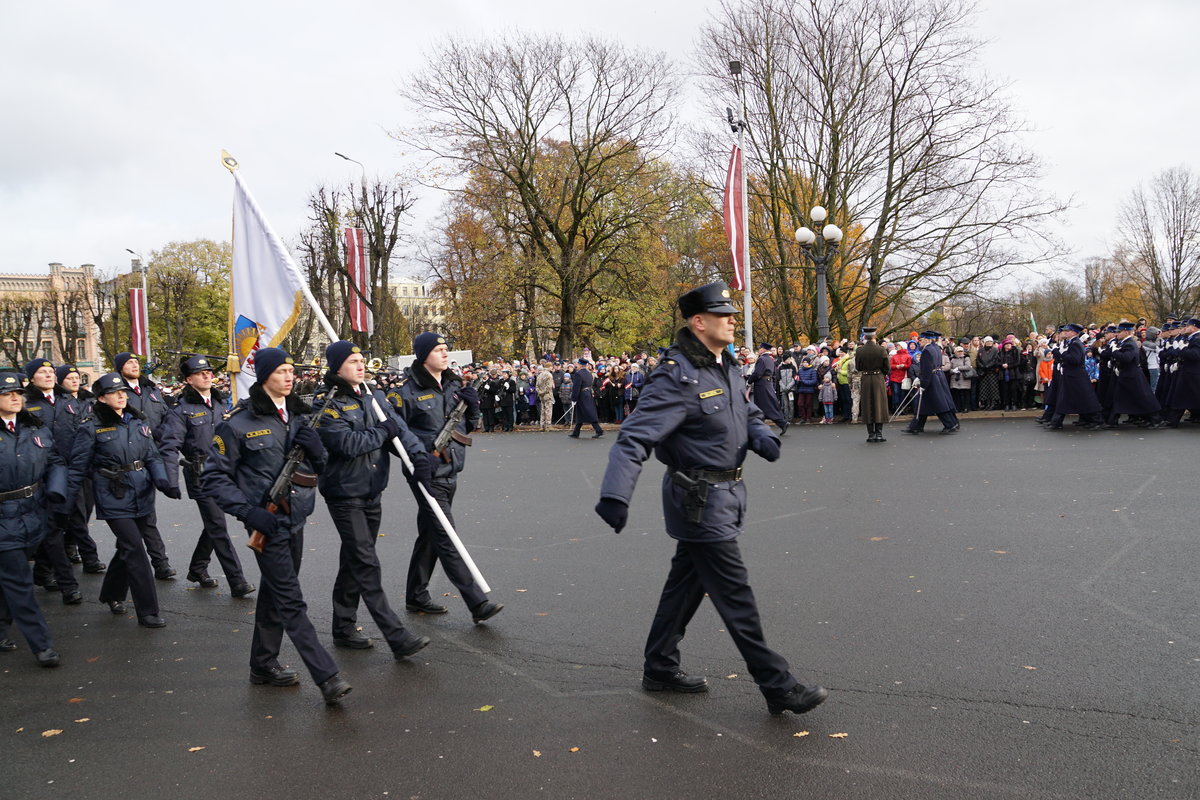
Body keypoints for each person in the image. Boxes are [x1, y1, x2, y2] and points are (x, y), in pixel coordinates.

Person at [593, 281, 827, 716]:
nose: (733, 320)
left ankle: (659, 666)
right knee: (735, 595)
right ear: (699, 322)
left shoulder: (725, 366)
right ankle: (778, 685)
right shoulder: (676, 375)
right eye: (724, 314)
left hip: (725, 494)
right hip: (698, 500)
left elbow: (746, 410)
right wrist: (614, 494)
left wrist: (761, 434)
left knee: (685, 585)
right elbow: (634, 436)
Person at [203, 348, 352, 704]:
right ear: (264, 375)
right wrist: (248, 513)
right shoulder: (237, 423)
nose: (289, 377)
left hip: (294, 517)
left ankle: (262, 664)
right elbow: (213, 478)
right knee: (290, 599)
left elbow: (320, 466)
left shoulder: (298, 416)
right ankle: (326, 675)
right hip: (265, 523)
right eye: (281, 371)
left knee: (275, 591)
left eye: (291, 371)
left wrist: (318, 452)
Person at [315, 341, 432, 658]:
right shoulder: (327, 404)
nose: (360, 364)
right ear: (337, 368)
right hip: (344, 492)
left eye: (361, 359)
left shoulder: (374, 396)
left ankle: (343, 626)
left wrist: (418, 457)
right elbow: (348, 443)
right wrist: (384, 432)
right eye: (353, 361)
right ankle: (396, 636)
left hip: (372, 489)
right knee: (366, 563)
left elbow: (401, 431)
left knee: (355, 559)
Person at [391, 333, 501, 623]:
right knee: (447, 536)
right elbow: (392, 435)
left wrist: (473, 407)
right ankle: (476, 602)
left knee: (431, 534)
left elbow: (468, 426)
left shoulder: (453, 386)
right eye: (438, 350)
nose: (444, 354)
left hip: (451, 469)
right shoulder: (406, 392)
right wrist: (417, 457)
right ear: (423, 355)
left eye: (445, 349)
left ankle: (416, 594)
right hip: (426, 475)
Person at [67, 372, 177, 628]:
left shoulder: (138, 422)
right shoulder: (91, 427)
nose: (121, 396)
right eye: (115, 392)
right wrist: (66, 500)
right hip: (112, 493)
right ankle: (147, 611)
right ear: (102, 398)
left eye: (123, 392)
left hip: (141, 491)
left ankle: (112, 594)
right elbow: (77, 467)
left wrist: (163, 481)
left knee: (126, 548)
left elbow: (153, 456)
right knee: (135, 550)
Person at [158, 356, 254, 597]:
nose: (207, 376)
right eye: (201, 373)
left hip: (227, 472)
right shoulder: (181, 411)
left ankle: (198, 568)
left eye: (209, 372)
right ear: (189, 380)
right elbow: (169, 446)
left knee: (215, 524)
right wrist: (169, 480)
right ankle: (237, 581)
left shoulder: (221, 404)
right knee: (218, 526)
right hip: (201, 475)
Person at [0, 371, 69, 666]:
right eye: (6, 394)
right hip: (3, 517)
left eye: (18, 393)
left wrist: (56, 492)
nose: (15, 397)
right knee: (19, 581)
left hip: (33, 512)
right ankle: (41, 646)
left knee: (9, 578)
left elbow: (55, 461)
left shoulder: (33, 428)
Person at [22, 359, 84, 604]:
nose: (48, 375)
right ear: (31, 378)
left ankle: (41, 571)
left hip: (71, 471)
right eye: (41, 372)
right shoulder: (25, 402)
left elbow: (82, 433)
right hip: (39, 474)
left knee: (67, 522)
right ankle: (68, 584)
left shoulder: (68, 400)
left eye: (51, 372)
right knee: (53, 528)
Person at [111, 352, 175, 580]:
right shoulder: (115, 392)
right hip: (126, 461)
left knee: (147, 515)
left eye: (136, 362)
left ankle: (160, 563)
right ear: (120, 368)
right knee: (130, 519)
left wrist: (160, 437)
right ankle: (132, 561)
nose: (135, 365)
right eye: (129, 362)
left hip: (152, 458)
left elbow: (167, 418)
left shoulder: (151, 390)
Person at [52, 364, 104, 575]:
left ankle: (69, 544)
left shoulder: (89, 400)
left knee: (86, 510)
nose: (74, 380)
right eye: (69, 378)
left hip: (89, 465)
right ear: (61, 382)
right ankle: (89, 556)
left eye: (76, 377)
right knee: (76, 512)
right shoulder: (57, 403)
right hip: (68, 465)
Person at [1042, 324, 1103, 430]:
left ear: (1074, 333)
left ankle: (1096, 420)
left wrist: (1060, 353)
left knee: (1085, 399)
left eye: (1068, 331)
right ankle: (1057, 421)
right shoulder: (1071, 343)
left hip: (1076, 375)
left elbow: (1075, 359)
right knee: (1073, 398)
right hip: (1071, 375)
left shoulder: (1075, 343)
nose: (1065, 332)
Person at [1107, 322, 1163, 428]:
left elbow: (1127, 358)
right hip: (1127, 375)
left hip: (1132, 375)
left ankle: (1156, 420)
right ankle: (1112, 421)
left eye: (1119, 331)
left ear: (1126, 332)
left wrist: (1115, 352)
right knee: (1119, 398)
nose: (1116, 334)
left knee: (1143, 398)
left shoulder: (1129, 343)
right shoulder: (1125, 343)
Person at [903, 331, 959, 435]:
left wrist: (923, 383)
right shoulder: (935, 348)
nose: (919, 342)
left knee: (938, 403)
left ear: (927, 339)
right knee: (924, 403)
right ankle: (916, 426)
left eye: (921, 339)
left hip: (931, 379)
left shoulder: (927, 351)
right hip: (937, 376)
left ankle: (950, 424)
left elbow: (927, 369)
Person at [854, 328, 889, 443]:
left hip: (866, 378)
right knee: (879, 404)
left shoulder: (859, 351)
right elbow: (887, 368)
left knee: (867, 404)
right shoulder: (881, 349)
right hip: (878, 378)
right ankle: (879, 433)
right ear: (875, 336)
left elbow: (858, 367)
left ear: (864, 337)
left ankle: (871, 434)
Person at [748, 343, 789, 435]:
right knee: (766, 406)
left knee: (765, 406)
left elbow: (757, 373)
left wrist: (750, 380)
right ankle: (762, 425)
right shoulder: (770, 360)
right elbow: (774, 374)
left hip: (761, 385)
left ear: (763, 349)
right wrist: (772, 385)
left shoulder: (761, 359)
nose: (759, 350)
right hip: (768, 384)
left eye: (760, 348)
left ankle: (781, 423)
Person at [568, 359, 603, 439]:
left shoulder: (578, 374)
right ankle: (576, 432)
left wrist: (574, 398)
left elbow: (576, 387)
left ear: (580, 364)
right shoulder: (588, 373)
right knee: (581, 413)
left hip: (582, 395)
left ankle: (598, 430)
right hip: (588, 394)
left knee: (589, 413)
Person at [535, 364, 555, 430]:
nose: (552, 368)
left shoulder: (539, 375)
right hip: (547, 395)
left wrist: (540, 392)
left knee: (542, 410)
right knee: (548, 410)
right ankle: (548, 426)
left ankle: (542, 425)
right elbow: (549, 386)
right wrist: (544, 392)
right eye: (551, 367)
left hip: (541, 396)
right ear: (549, 367)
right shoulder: (549, 375)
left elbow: (537, 386)